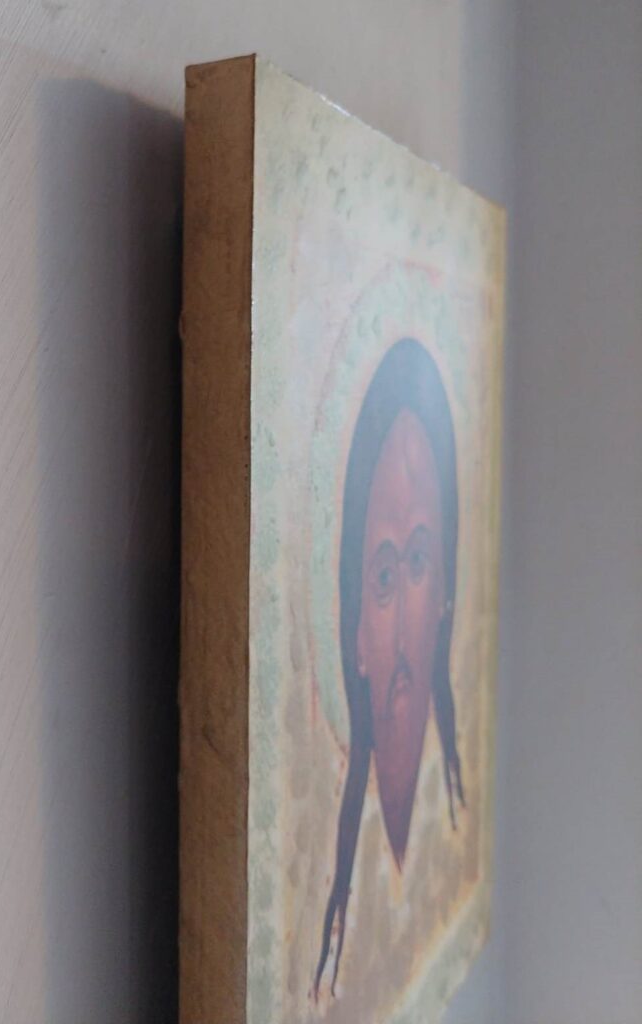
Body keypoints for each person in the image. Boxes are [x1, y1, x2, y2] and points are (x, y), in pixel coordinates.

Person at [314, 338, 465, 999]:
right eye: (382, 577)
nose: (403, 627)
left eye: (419, 563)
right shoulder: (343, 900)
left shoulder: (450, 817)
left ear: (446, 596)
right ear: (355, 637)